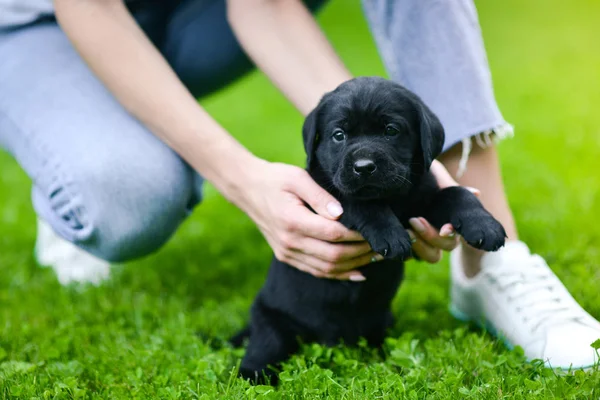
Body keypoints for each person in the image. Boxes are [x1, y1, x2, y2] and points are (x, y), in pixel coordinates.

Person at [0, 0, 598, 370]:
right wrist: (244, 181)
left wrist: (426, 174)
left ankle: (492, 269)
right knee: (126, 198)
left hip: (193, 14)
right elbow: (89, 7)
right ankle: (71, 165)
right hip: (47, 25)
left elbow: (263, 3)